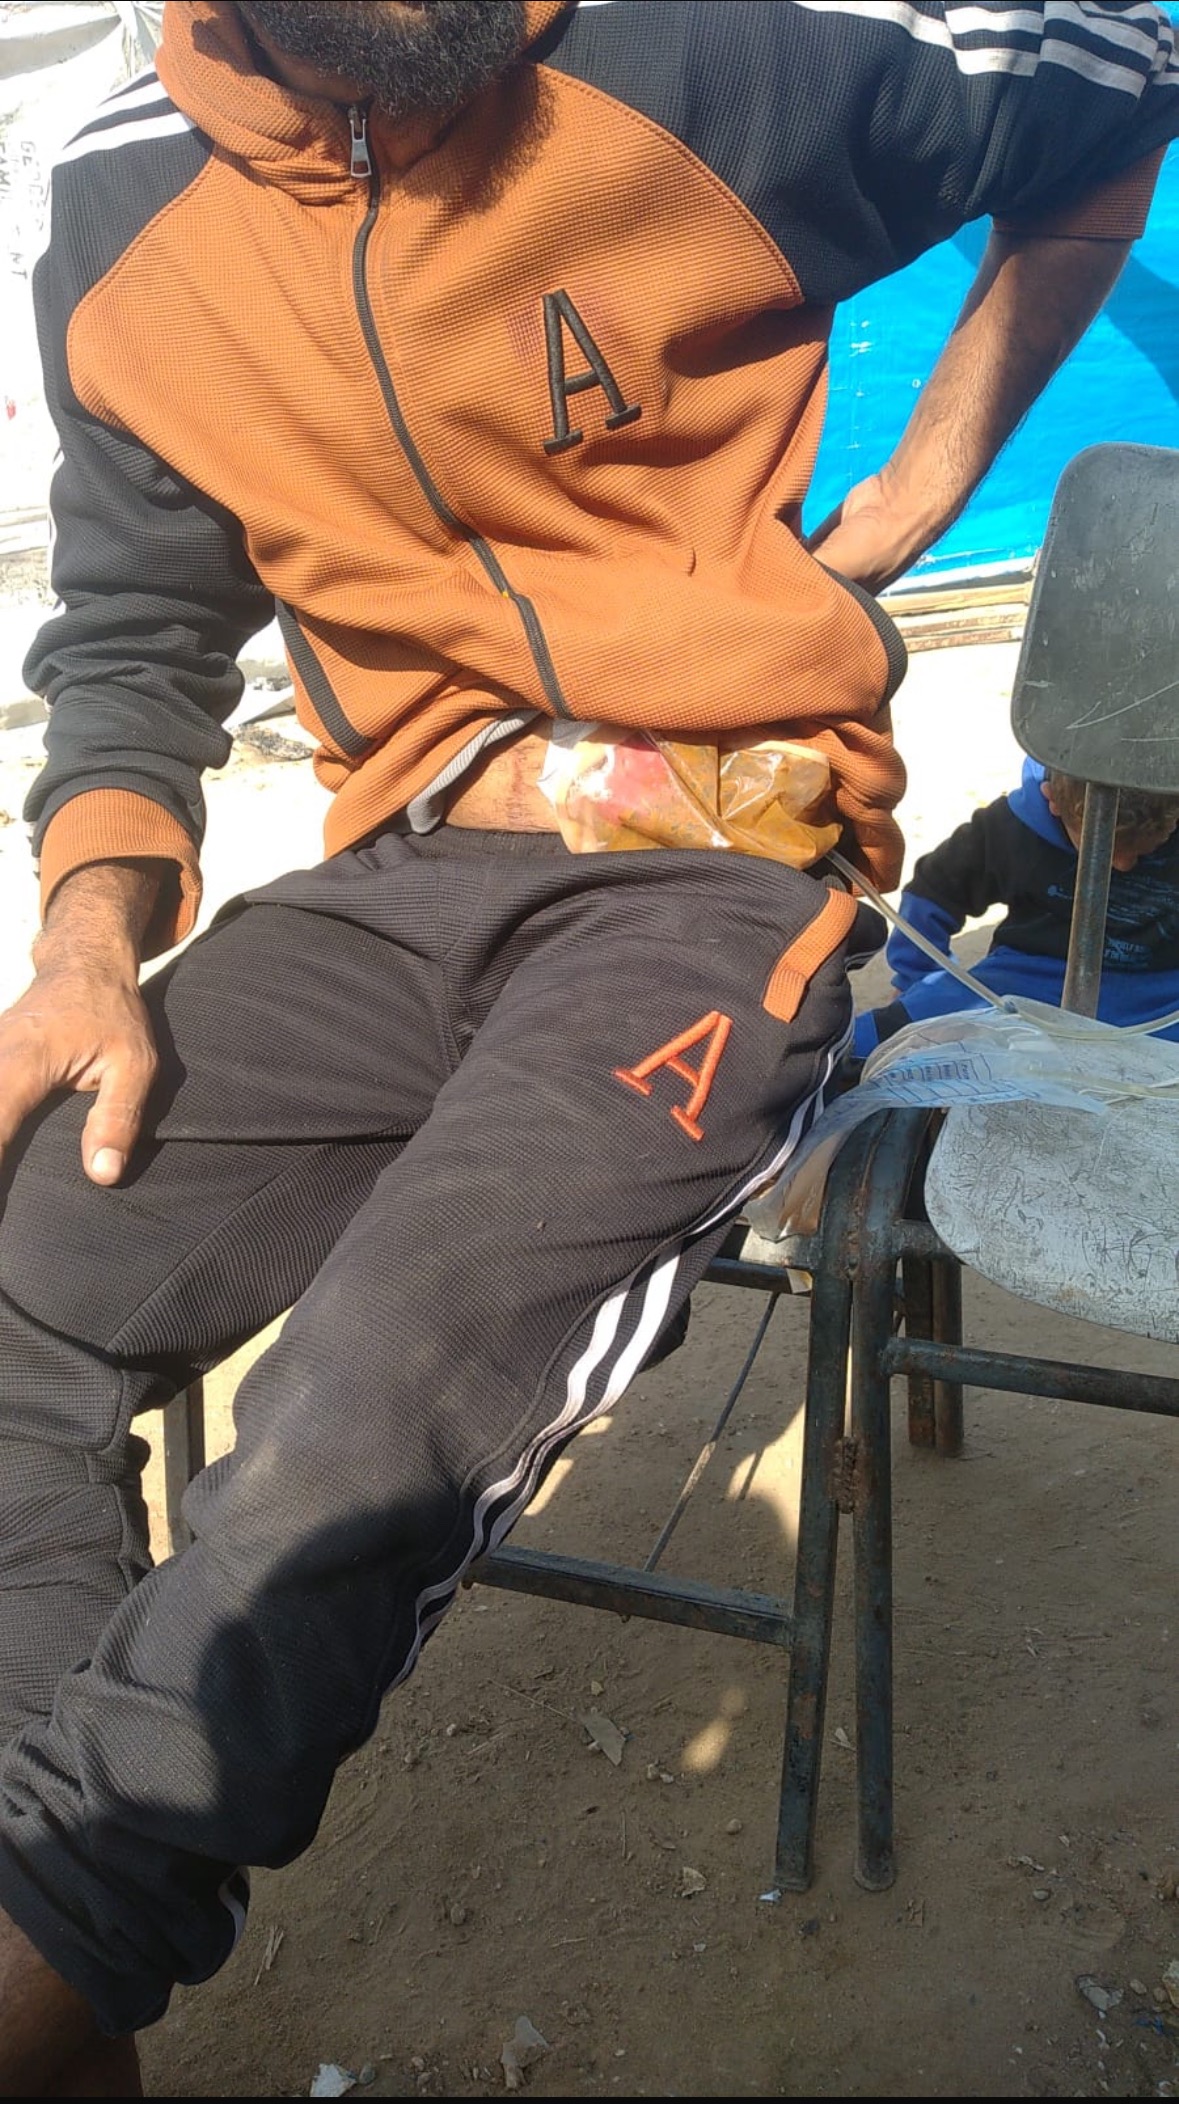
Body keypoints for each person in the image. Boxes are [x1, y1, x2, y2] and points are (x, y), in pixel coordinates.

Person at [1, 1, 1177, 2089]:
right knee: (17, 1263)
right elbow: (133, 627)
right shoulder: (117, 189)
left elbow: (1111, 85)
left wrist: (909, 490)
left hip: (715, 875)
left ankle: (58, 1939)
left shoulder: (719, 48)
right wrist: (88, 935)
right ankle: (49, 1931)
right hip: (399, 867)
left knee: (376, 1378)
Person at [852, 761, 1179, 1054]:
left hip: (1160, 993)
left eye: (1143, 849)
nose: (1122, 864)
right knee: (871, 1040)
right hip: (1024, 979)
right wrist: (915, 975)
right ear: (1052, 800)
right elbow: (934, 890)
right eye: (1110, 850)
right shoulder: (1013, 826)